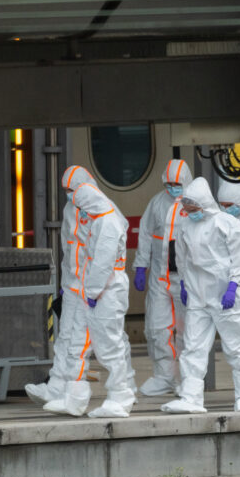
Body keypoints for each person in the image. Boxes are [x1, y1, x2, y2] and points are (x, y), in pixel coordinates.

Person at [161, 177, 240, 414]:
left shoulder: (227, 223)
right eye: (187, 208)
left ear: (203, 203)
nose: (189, 212)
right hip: (197, 296)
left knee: (236, 347)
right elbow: (182, 258)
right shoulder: (185, 226)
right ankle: (191, 397)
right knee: (193, 348)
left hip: (224, 296)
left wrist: (234, 285)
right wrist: (184, 283)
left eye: (192, 207)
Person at [58, 181, 137, 417]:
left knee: (109, 344)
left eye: (81, 207)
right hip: (93, 290)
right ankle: (74, 397)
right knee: (78, 342)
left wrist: (92, 292)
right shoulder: (98, 220)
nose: (80, 213)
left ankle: (120, 396)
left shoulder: (107, 223)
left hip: (107, 292)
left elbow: (103, 263)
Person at [25, 165, 94, 407]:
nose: (69, 194)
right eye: (66, 190)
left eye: (72, 189)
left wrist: (95, 287)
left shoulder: (99, 211)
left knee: (82, 341)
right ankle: (56, 386)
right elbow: (68, 250)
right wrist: (66, 282)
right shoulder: (70, 210)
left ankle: (78, 392)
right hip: (74, 283)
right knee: (65, 336)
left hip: (90, 286)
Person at [132, 159, 193, 396]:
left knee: (187, 331)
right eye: (169, 184)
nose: (172, 188)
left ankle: (187, 380)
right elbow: (146, 234)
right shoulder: (157, 202)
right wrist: (140, 265)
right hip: (160, 276)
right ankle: (164, 377)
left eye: (177, 184)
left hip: (186, 279)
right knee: (157, 329)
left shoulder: (195, 202)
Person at [216, 180, 240, 351]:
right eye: (223, 205)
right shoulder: (229, 219)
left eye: (229, 205)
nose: (225, 209)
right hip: (238, 280)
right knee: (239, 328)